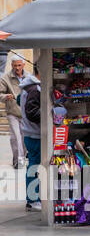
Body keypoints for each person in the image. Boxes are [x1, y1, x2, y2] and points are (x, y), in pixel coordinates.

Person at [18, 68, 42, 211]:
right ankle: (33, 199)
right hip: (34, 134)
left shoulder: (27, 86)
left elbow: (18, 99)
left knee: (33, 165)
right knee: (34, 166)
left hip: (29, 132)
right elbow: (32, 112)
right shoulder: (35, 88)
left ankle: (32, 199)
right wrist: (48, 113)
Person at [2, 54, 28, 170]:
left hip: (26, 113)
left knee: (24, 138)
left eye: (19, 65)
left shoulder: (29, 77)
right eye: (14, 65)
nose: (17, 68)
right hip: (12, 112)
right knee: (16, 137)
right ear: (11, 65)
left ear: (23, 64)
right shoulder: (5, 77)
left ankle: (22, 157)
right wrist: (5, 96)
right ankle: (18, 161)